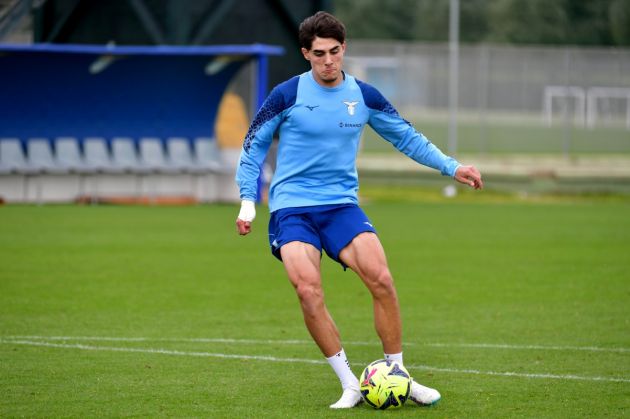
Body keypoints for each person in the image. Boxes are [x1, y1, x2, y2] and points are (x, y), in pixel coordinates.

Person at [235, 11, 483, 409]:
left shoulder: (364, 96)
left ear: (344, 49)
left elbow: (407, 137)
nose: (329, 61)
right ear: (306, 54)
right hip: (292, 209)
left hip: (341, 207)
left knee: (381, 278)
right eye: (319, 54)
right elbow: (252, 148)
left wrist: (453, 167)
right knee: (308, 290)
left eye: (335, 52)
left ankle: (399, 374)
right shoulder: (286, 95)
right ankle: (350, 383)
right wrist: (248, 203)